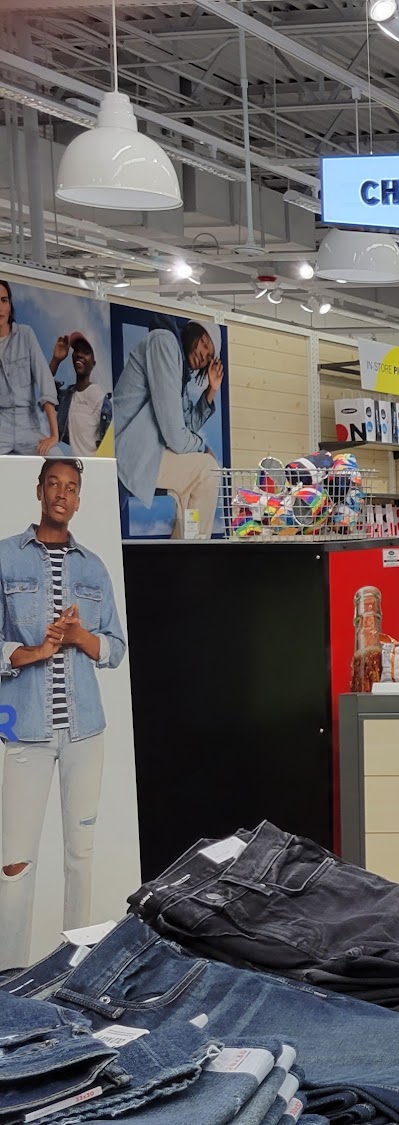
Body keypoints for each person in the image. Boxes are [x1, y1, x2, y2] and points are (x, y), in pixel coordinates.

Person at [0, 458, 128, 966]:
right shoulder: (5, 558)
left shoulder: (94, 567)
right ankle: (10, 973)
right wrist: (35, 651)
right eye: (53, 483)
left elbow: (115, 648)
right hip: (24, 730)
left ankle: (76, 968)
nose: (61, 493)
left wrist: (79, 637)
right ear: (39, 490)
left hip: (85, 732)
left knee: (80, 855)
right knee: (14, 863)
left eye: (71, 487)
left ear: (78, 499)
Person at [109, 319, 222, 538]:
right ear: (193, 331)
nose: (203, 356)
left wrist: (211, 390)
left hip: (144, 454)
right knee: (207, 469)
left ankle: (187, 552)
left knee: (199, 477)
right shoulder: (165, 343)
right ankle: (195, 553)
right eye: (204, 344)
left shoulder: (179, 370)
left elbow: (186, 425)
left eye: (209, 357)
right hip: (128, 452)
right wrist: (204, 448)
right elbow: (175, 437)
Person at [0, 279, 60, 457]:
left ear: (10, 305)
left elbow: (45, 381)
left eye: (3, 300)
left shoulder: (26, 334)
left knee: (58, 459)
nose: (0, 307)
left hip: (28, 427)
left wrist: (54, 436)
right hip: (1, 427)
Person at [55, 334, 105, 455]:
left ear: (93, 363)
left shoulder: (96, 394)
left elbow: (108, 434)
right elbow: (45, 391)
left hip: (95, 463)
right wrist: (56, 360)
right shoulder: (68, 396)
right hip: (77, 463)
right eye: (77, 351)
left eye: (86, 352)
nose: (79, 355)